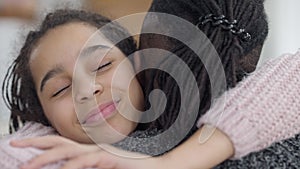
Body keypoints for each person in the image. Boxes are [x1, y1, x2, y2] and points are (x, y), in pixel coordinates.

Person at [0, 4, 299, 169]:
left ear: (139, 66)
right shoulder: (48, 152)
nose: (86, 90)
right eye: (59, 90)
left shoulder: (198, 120)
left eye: (103, 65)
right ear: (42, 116)